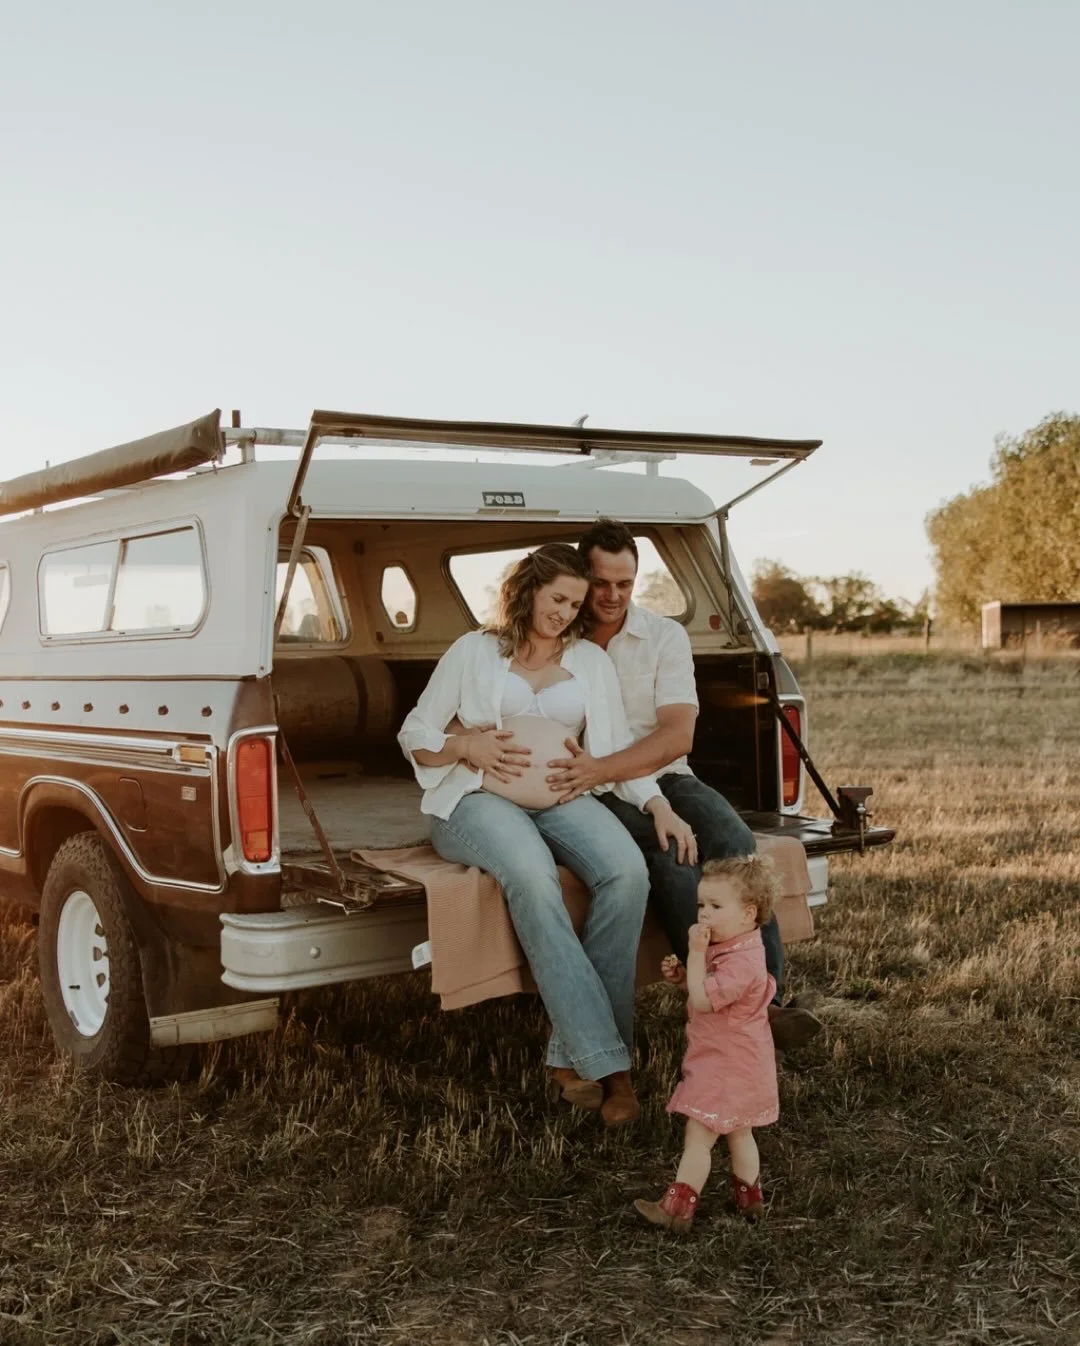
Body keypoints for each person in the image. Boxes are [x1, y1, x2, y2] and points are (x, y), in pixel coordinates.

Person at [397, 543, 697, 1127]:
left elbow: (608, 751)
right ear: (527, 589)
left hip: (564, 795)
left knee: (626, 872)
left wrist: (657, 802)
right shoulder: (475, 650)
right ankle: (613, 1070)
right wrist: (466, 745)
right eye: (557, 597)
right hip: (476, 798)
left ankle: (569, 1055)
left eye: (575, 603)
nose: (565, 611)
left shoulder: (588, 661)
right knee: (534, 876)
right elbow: (416, 730)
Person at [544, 518, 820, 1051]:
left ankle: (769, 1001)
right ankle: (716, 994)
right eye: (601, 583)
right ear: (583, 575)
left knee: (734, 843)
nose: (613, 595)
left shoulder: (662, 636)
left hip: (666, 773)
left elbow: (677, 735)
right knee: (673, 854)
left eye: (625, 584)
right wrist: (602, 774)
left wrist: (616, 768)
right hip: (592, 787)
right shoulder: (562, 637)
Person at [634, 856, 779, 1232]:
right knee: (739, 1130)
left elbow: (703, 1001)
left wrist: (694, 955)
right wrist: (685, 977)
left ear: (748, 914)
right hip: (743, 1062)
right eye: (701, 905)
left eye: (716, 907)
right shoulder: (738, 949)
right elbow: (704, 992)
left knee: (699, 1133)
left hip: (725, 1066)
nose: (704, 915)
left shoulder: (740, 964)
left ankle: (676, 1210)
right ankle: (750, 1200)